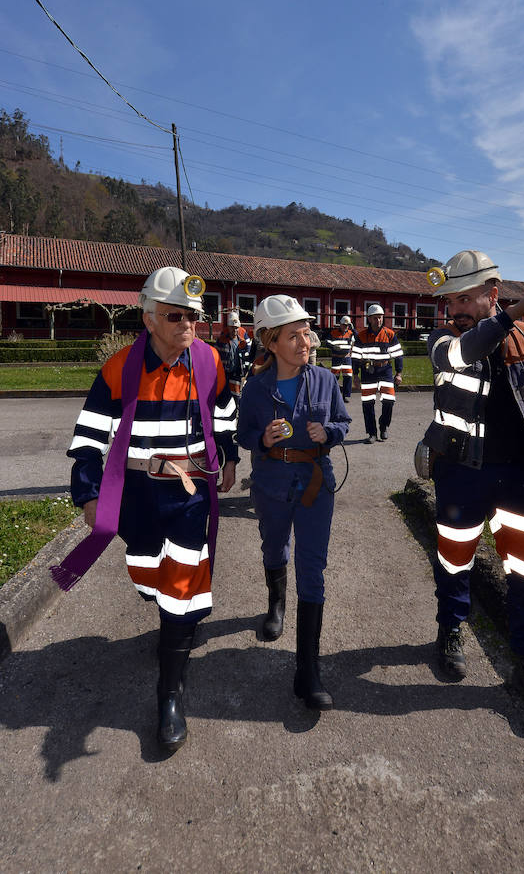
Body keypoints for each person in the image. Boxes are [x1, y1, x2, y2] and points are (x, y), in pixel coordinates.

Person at [64, 266, 238, 751]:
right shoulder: (119, 368)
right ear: (150, 319)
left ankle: (170, 692)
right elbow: (88, 438)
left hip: (189, 493)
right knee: (146, 572)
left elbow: (224, 413)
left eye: (194, 318)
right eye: (176, 316)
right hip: (136, 494)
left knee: (181, 585)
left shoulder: (208, 362)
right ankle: (166, 615)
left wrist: (228, 457)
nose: (188, 326)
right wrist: (89, 493)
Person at [421, 249, 524, 718]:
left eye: (466, 297)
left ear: (492, 294)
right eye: (451, 300)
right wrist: (512, 315)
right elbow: (467, 353)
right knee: (454, 560)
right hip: (462, 473)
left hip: (520, 477)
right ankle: (450, 630)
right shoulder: (443, 340)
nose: (455, 308)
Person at [237, 294, 351, 710]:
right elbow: (243, 433)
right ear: (271, 342)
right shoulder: (256, 387)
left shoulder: (324, 379)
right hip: (271, 482)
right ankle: (275, 602)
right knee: (273, 547)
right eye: (294, 335)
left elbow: (342, 420)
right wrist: (261, 439)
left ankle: (308, 670)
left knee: (313, 567)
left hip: (316, 483)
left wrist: (331, 434)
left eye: (306, 333)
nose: (305, 342)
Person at [352, 304, 403, 442]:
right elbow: (355, 357)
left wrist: (398, 373)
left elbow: (398, 355)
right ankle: (372, 433)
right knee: (368, 404)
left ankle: (384, 425)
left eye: (380, 318)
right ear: (369, 319)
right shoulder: (361, 336)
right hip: (368, 372)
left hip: (385, 371)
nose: (378, 321)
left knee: (389, 402)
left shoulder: (390, 334)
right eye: (375, 318)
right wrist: (355, 376)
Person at [215, 310, 252, 402]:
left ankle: (237, 412)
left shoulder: (242, 340)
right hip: (225, 372)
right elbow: (215, 356)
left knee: (236, 395)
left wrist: (246, 371)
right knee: (223, 394)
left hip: (237, 373)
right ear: (228, 327)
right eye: (232, 328)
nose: (234, 330)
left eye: (236, 328)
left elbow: (248, 355)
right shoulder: (222, 340)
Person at [325, 314, 357, 402]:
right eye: (344, 325)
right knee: (335, 377)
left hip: (346, 359)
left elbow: (358, 338)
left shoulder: (351, 333)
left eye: (347, 325)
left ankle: (345, 396)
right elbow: (327, 342)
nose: (345, 327)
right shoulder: (333, 332)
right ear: (340, 324)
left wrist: (352, 328)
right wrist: (333, 347)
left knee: (348, 377)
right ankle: (333, 395)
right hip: (336, 358)